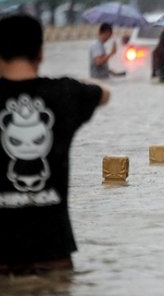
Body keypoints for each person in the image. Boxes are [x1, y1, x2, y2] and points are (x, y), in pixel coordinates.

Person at [0, 14, 110, 275]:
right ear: (40, 52)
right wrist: (79, 85)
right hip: (53, 252)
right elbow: (104, 94)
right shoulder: (65, 94)